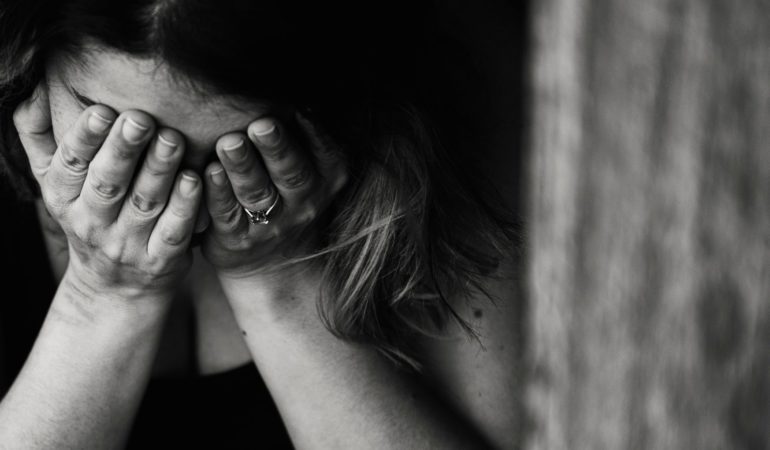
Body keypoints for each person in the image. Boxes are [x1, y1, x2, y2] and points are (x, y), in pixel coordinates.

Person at [0, 0, 522, 448]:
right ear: (33, 59)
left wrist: (278, 277)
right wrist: (103, 296)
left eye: (239, 151)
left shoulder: (454, 125)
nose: (175, 193)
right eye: (120, 136)